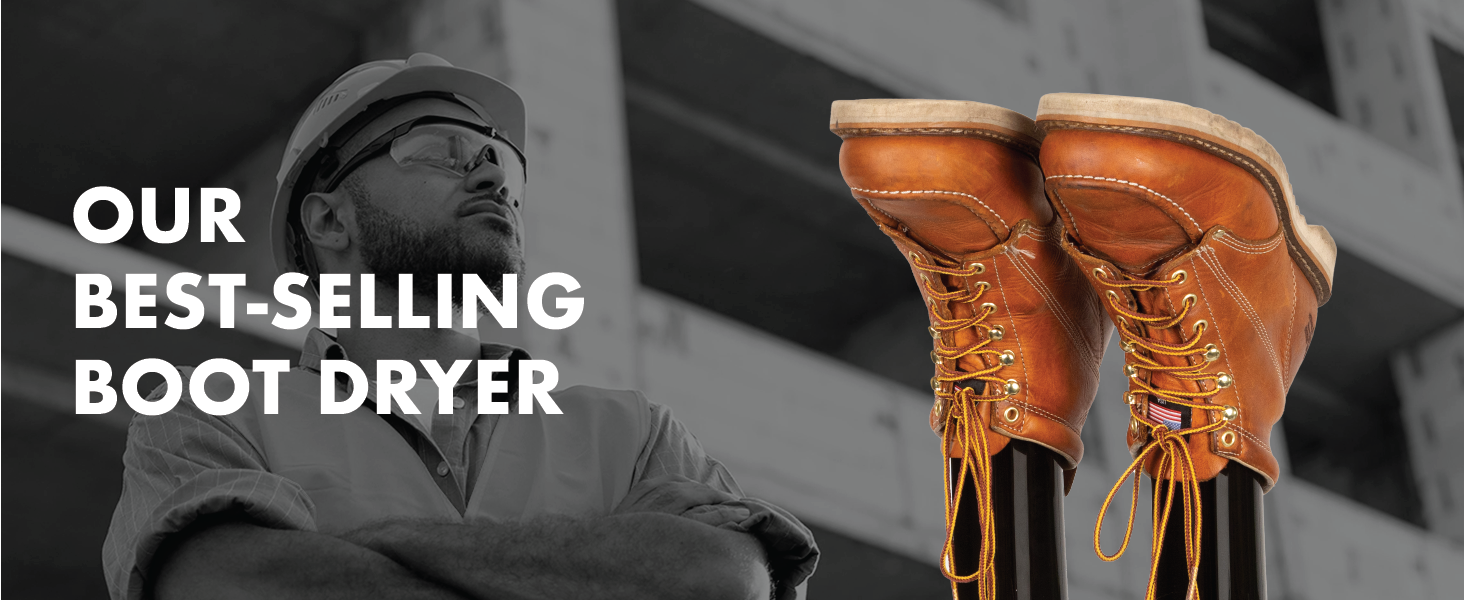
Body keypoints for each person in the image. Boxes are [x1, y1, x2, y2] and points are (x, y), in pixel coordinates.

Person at [102, 53, 818, 600]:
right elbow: (228, 585)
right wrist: (600, 560)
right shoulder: (213, 417)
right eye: (438, 151)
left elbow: (722, 579)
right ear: (328, 220)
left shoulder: (632, 434)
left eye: (499, 160)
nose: (491, 179)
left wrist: (368, 545)